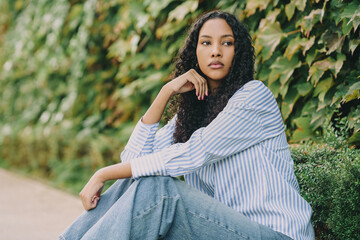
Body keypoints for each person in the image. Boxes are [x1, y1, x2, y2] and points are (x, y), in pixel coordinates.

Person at [60, 11, 315, 240]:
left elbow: (195, 152)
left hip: (276, 234)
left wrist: (102, 173)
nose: (216, 51)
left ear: (239, 52)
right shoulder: (193, 113)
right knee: (141, 180)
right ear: (195, 52)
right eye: (206, 43)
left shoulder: (253, 97)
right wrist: (165, 92)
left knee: (160, 190)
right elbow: (135, 159)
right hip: (223, 231)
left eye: (227, 43)